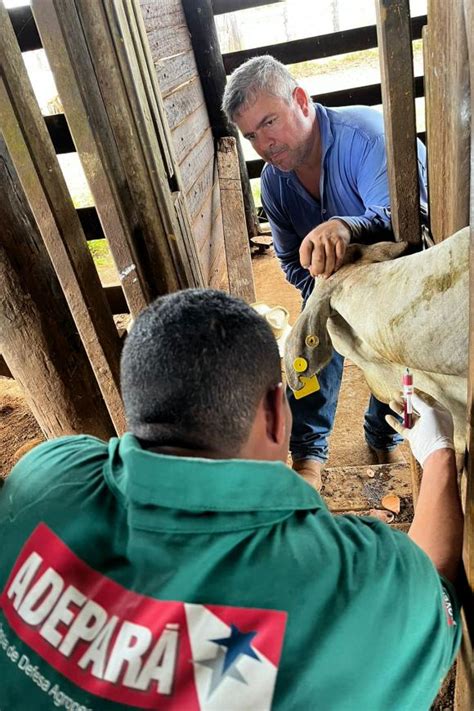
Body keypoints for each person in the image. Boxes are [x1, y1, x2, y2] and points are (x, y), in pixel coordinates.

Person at [0, 289, 462, 710]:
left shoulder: (48, 472)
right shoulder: (358, 579)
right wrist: (438, 454)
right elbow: (432, 588)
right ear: (276, 413)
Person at [222, 55, 429, 489]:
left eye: (270, 122)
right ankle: (309, 451)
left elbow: (407, 217)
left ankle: (383, 430)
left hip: (399, 276)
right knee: (306, 343)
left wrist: (345, 226)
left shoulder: (367, 137)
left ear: (300, 99)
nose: (265, 145)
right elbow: (287, 259)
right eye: (251, 136)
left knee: (389, 349)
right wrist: (319, 298)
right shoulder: (275, 180)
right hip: (328, 284)